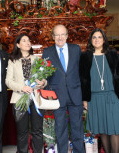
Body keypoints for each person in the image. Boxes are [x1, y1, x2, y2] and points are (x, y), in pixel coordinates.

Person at [80, 28, 119, 153]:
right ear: (90, 40)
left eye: (99, 37)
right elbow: (83, 79)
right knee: (103, 130)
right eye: (94, 37)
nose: (97, 40)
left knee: (115, 128)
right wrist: (84, 99)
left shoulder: (112, 54)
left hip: (113, 96)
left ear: (104, 39)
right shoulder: (85, 57)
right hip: (95, 98)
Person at [42, 25, 84, 153]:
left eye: (62, 34)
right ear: (53, 37)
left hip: (75, 94)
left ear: (67, 36)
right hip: (57, 96)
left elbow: (81, 72)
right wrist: (43, 83)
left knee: (77, 129)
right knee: (60, 130)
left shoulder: (76, 49)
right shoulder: (47, 52)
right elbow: (45, 74)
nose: (60, 37)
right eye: (57, 35)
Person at [6, 34, 47, 153]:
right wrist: (22, 87)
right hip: (19, 98)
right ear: (18, 45)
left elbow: (44, 79)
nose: (28, 42)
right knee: (22, 132)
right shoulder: (13, 60)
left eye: (29, 40)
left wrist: (43, 82)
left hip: (36, 98)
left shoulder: (37, 59)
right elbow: (8, 81)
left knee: (37, 131)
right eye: (24, 40)